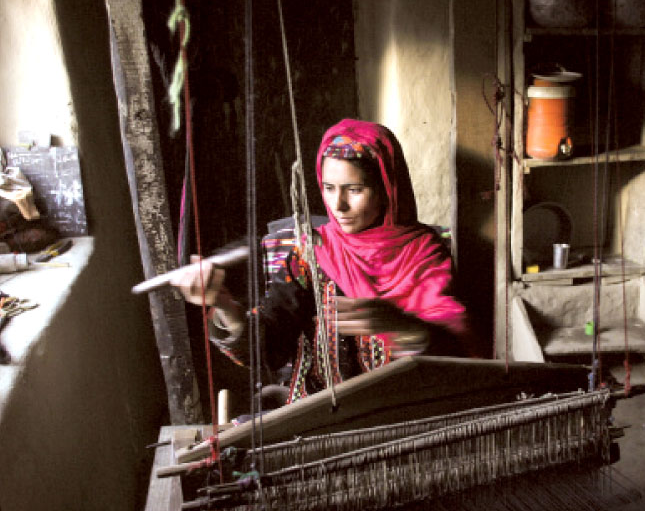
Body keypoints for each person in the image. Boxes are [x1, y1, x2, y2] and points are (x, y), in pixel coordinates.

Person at [172, 119, 471, 404]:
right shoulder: (312, 255)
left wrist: (402, 327)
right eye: (329, 188)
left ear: (386, 190)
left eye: (354, 190)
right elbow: (268, 348)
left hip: (400, 415)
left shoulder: (424, 252)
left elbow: (455, 356)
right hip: (321, 415)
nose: (338, 205)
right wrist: (225, 305)